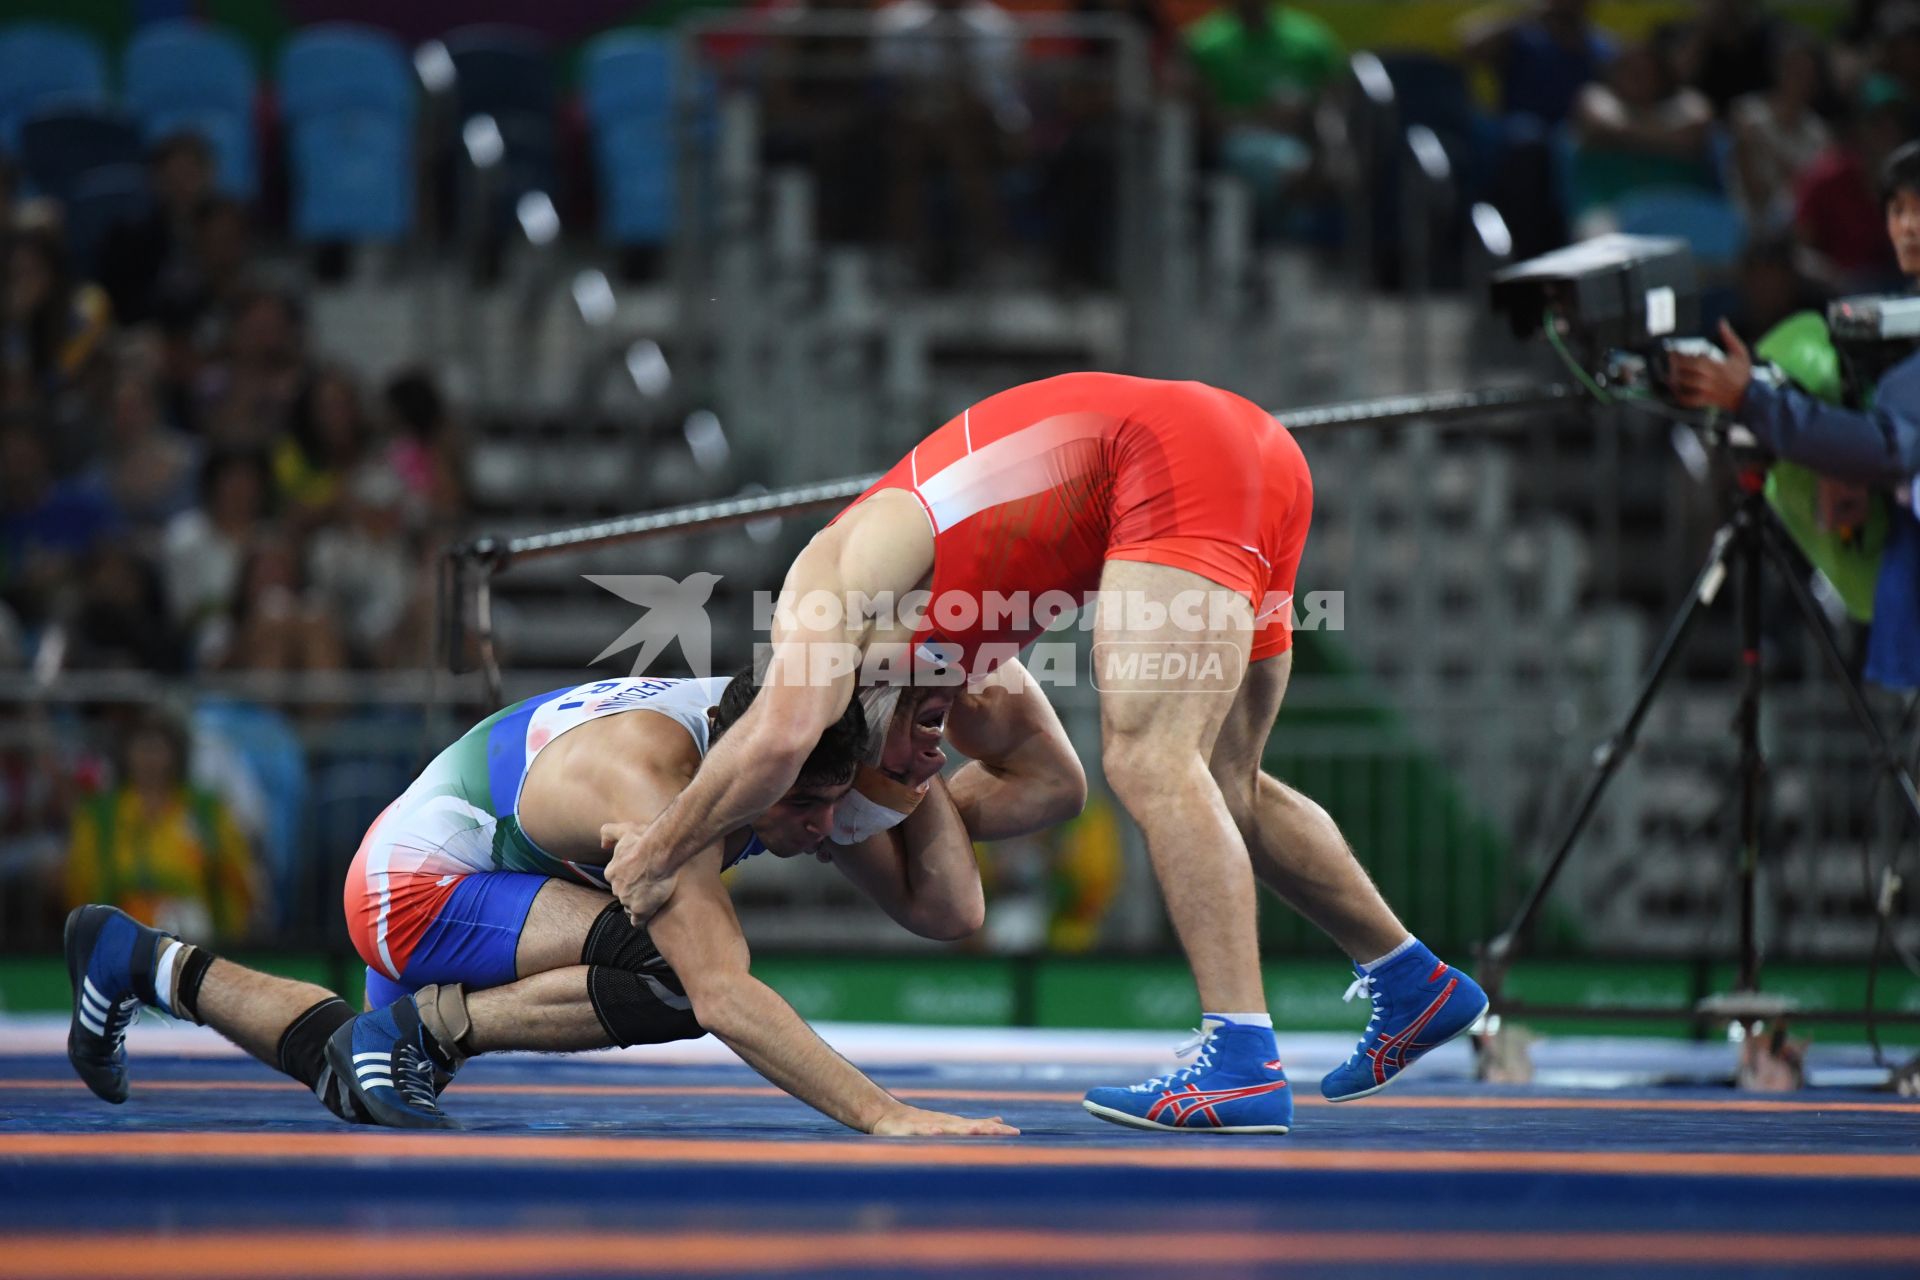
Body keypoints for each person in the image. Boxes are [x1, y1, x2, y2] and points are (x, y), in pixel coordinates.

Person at [602, 372, 1487, 1134]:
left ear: (857, 713)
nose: (926, 759)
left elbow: (781, 738)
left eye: (899, 766)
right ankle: (1408, 975)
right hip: (1253, 454)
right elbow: (1054, 789)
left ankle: (1241, 1055)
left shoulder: (823, 597)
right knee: (1227, 780)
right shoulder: (953, 667)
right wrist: (917, 805)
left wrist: (659, 849)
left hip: (1171, 454)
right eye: (923, 771)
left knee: (1149, 760)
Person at [64, 670, 1018, 1137]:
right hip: (420, 888)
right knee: (678, 978)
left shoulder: (776, 734)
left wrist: (923, 753)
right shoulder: (653, 780)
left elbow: (952, 907)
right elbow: (726, 994)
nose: (819, 835)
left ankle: (141, 961)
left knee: (351, 1075)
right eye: (804, 810)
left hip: (462, 872)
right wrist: (886, 1116)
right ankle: (432, 1033)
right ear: (747, 776)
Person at [1669, 139, 1920, 691]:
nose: (1907, 226)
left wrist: (1751, 400)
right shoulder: (1891, 316)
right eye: (1898, 209)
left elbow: (1891, 448)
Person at [65, 707, 257, 944]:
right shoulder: (101, 815)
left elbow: (234, 876)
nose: (150, 759)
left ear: (175, 754)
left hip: (195, 932)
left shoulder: (205, 809)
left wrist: (230, 937)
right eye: (142, 748)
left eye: (158, 749)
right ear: (125, 754)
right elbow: (81, 884)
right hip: (121, 932)